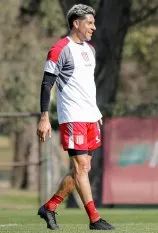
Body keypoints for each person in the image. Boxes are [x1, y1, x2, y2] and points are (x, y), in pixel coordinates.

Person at [36, 4, 115, 231]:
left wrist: (96, 111)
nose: (94, 27)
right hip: (72, 117)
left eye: (93, 22)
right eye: (89, 23)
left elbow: (86, 86)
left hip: (90, 117)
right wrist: (44, 117)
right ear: (76, 23)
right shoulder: (60, 48)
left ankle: (50, 207)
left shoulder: (90, 50)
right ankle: (94, 219)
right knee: (80, 167)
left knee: (83, 169)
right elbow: (47, 84)